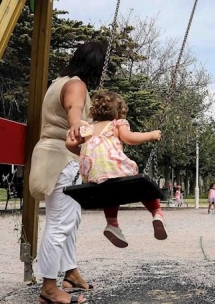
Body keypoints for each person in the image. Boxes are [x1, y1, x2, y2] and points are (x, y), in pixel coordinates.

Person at [29, 41, 106, 304]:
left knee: (70, 221)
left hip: (52, 157)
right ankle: (49, 288)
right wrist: (77, 126)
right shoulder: (76, 85)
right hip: (61, 158)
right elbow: (74, 108)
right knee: (59, 224)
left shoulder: (57, 82)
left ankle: (70, 273)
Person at [69, 91, 165, 248]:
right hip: (114, 167)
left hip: (93, 173)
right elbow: (130, 138)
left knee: (110, 193)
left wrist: (83, 153)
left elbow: (70, 144)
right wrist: (152, 135)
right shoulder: (117, 124)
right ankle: (157, 214)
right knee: (142, 187)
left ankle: (112, 224)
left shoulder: (88, 128)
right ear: (119, 111)